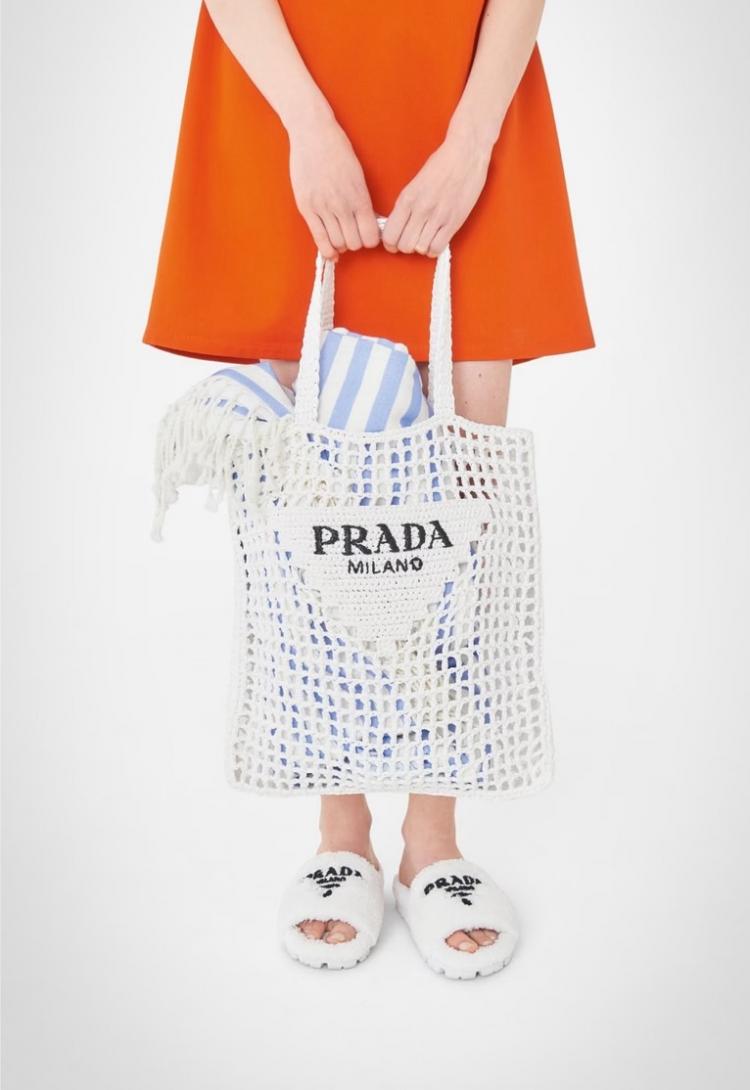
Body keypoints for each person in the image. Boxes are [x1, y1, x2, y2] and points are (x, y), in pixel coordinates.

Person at [143, 0, 593, 972]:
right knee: (309, 504)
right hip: (287, 83)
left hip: (462, 86)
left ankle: (433, 840)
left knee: (462, 508)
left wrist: (472, 141)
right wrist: (308, 125)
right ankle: (340, 830)